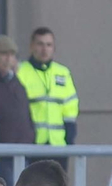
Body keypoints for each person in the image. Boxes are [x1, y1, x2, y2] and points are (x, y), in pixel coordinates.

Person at [15, 26, 78, 161]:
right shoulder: (21, 71)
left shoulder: (62, 72)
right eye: (40, 44)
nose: (45, 49)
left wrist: (69, 138)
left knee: (57, 182)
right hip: (32, 144)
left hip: (58, 145)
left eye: (49, 45)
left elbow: (70, 106)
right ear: (32, 47)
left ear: (54, 48)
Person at [0, 33, 31, 186]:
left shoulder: (16, 82)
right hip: (1, 152)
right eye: (4, 54)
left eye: (11, 54)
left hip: (23, 150)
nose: (8, 59)